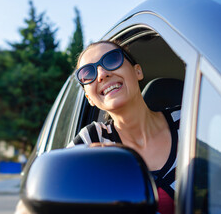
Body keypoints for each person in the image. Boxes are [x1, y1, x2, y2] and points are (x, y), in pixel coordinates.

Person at [68, 40, 181, 214]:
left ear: (138, 71)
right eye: (87, 73)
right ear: (89, 98)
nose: (101, 74)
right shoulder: (91, 140)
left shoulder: (186, 119)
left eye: (111, 60)